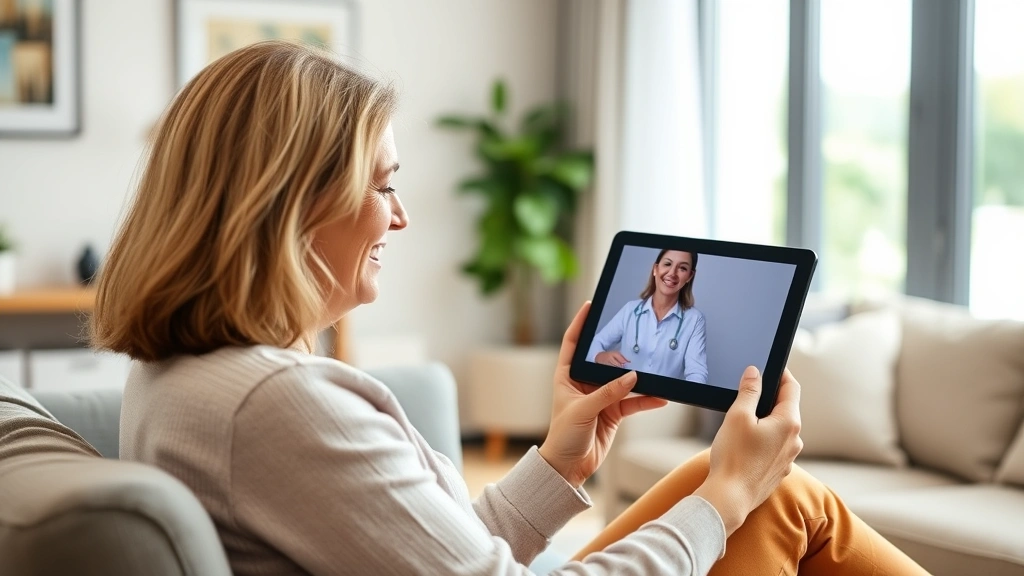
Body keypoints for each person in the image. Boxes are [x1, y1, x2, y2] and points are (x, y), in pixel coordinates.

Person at [92, 41, 929, 575]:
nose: (402, 215)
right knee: (767, 497)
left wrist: (562, 461)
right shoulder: (270, 404)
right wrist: (724, 502)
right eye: (384, 185)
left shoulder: (191, 379)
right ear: (287, 203)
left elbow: (432, 552)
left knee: (744, 488)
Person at [587, 249, 709, 383]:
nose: (672, 273)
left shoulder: (695, 319)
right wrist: (599, 356)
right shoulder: (630, 309)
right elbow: (595, 342)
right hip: (623, 392)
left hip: (665, 401)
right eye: (667, 264)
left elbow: (697, 372)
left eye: (682, 268)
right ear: (655, 269)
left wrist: (687, 397)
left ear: (690, 276)